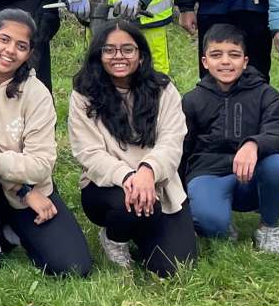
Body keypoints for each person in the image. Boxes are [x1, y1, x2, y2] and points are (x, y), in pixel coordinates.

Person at [0, 9, 92, 275]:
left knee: (72, 267)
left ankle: (10, 232)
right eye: (4, 39)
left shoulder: (37, 93)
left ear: (29, 53)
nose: (10, 50)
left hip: (31, 187)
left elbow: (42, 164)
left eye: (21, 46)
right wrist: (22, 191)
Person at [70, 21, 195, 277]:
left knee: (174, 266)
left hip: (159, 184)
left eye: (128, 49)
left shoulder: (163, 89)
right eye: (110, 50)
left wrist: (148, 171)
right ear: (99, 55)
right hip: (108, 187)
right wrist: (129, 177)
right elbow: (89, 153)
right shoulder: (84, 94)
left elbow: (172, 141)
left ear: (141, 55)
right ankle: (115, 237)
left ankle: (143, 229)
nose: (119, 56)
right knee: (129, 206)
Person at [180, 24, 279, 253]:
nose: (225, 61)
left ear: (245, 61)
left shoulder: (266, 94)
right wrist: (181, 199)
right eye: (216, 55)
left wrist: (253, 144)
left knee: (277, 166)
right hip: (208, 172)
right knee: (212, 223)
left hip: (250, 175)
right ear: (204, 62)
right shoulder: (191, 100)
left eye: (234, 55)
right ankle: (217, 221)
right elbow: (182, 150)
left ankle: (268, 227)